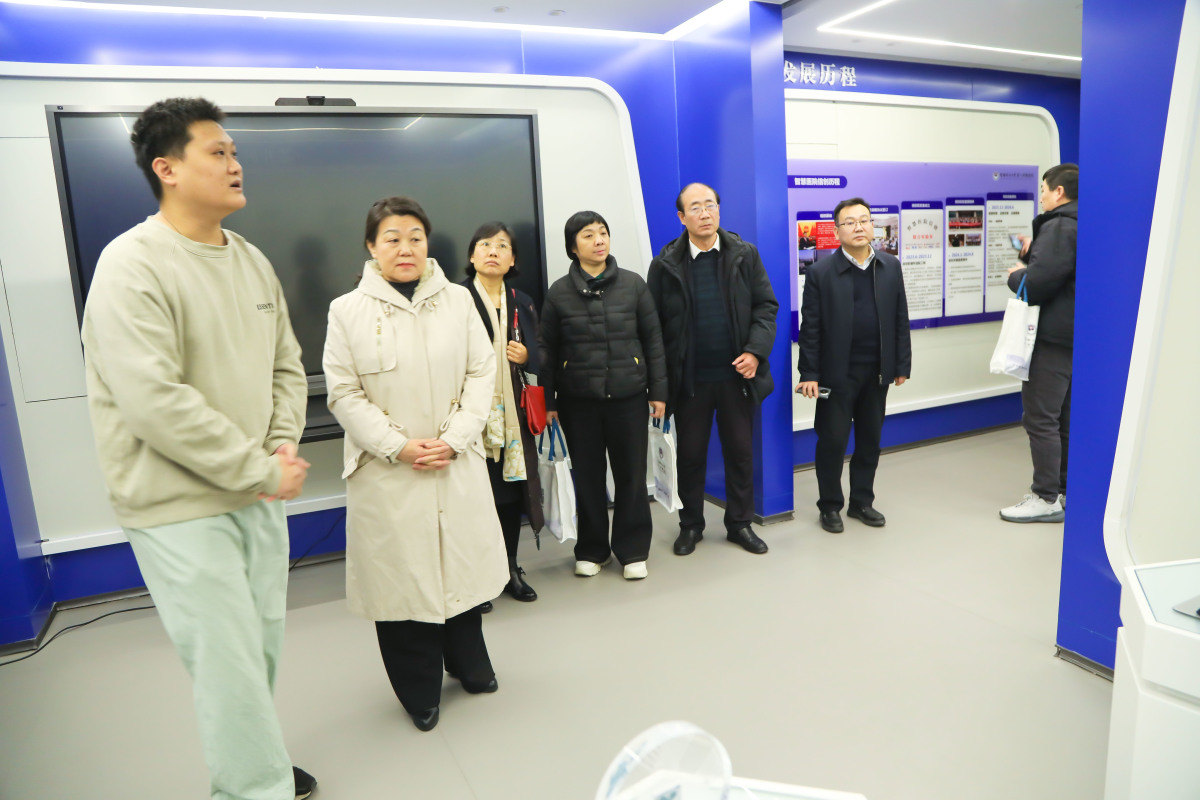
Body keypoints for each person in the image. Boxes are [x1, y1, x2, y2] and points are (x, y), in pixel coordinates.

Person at [80, 98, 316, 800]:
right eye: (217, 152)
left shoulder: (251, 260)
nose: (235, 163)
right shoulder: (131, 265)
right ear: (168, 169)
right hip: (179, 503)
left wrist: (280, 446)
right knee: (227, 663)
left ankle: (257, 764)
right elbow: (154, 402)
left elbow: (286, 364)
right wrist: (261, 467)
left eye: (234, 152)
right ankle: (255, 788)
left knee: (259, 647)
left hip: (258, 488)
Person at [323, 196, 508, 733]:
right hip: (390, 469)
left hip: (454, 458)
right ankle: (418, 687)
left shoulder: (458, 299)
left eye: (415, 238)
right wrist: (397, 446)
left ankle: (468, 662)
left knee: (460, 566)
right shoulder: (347, 310)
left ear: (428, 243)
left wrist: (455, 438)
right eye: (392, 239)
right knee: (402, 581)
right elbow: (343, 392)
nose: (405, 248)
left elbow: (482, 372)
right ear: (371, 246)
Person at [647, 183, 779, 557]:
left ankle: (740, 524)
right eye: (695, 207)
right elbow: (653, 327)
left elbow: (766, 307)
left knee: (740, 452)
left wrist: (755, 352)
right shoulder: (665, 264)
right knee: (690, 456)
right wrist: (658, 385)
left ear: (719, 209)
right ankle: (691, 525)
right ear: (681, 217)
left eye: (710, 205)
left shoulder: (744, 254)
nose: (705, 213)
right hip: (689, 381)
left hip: (737, 377)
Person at [540, 211, 667, 580]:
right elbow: (547, 350)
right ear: (572, 247)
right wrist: (548, 402)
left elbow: (653, 341)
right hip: (578, 402)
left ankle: (633, 550)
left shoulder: (633, 284)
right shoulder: (559, 292)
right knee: (588, 479)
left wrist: (659, 390)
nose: (598, 240)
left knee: (631, 476)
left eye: (603, 233)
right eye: (588, 235)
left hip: (629, 397)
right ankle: (592, 550)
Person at [796, 197, 911, 534]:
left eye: (864, 220)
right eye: (850, 222)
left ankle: (862, 502)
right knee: (832, 441)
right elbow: (810, 328)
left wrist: (901, 364)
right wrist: (809, 374)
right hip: (836, 375)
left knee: (870, 440)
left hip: (877, 372)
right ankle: (830, 506)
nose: (859, 227)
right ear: (837, 231)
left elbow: (900, 318)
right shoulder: (820, 272)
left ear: (873, 226)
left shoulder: (890, 266)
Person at [461, 221, 544, 603]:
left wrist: (527, 356)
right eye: (485, 245)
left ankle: (510, 568)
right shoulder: (456, 299)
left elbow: (542, 352)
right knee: (474, 499)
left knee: (509, 496)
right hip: (469, 419)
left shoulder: (522, 301)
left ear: (512, 260)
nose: (493, 251)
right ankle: (477, 578)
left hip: (513, 419)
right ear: (472, 256)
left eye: (502, 246)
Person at [1000, 164, 1078, 523]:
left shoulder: (1059, 225)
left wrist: (1016, 275)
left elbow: (1036, 286)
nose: (1042, 196)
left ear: (1058, 192)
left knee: (1040, 418)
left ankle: (1045, 497)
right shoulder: (1083, 222)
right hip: (1073, 337)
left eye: (1044, 189)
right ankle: (1062, 490)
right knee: (1062, 418)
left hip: (1051, 338)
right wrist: (1033, 255)